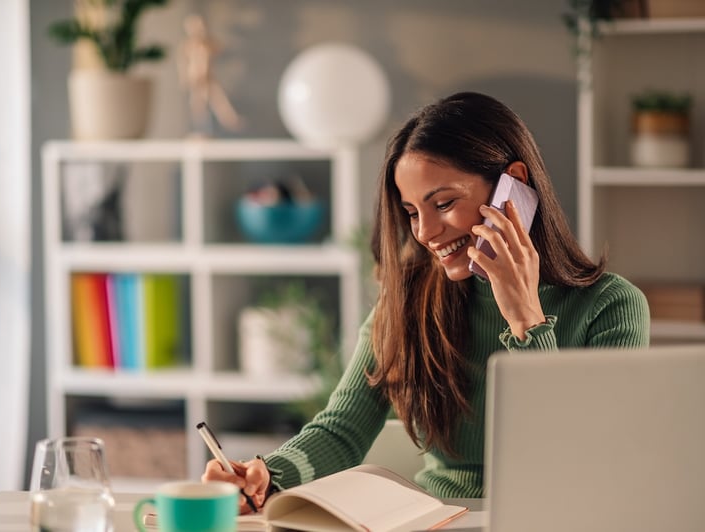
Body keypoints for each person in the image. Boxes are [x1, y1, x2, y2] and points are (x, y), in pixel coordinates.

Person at [202, 91, 650, 511]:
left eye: (444, 203)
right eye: (413, 211)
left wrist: (527, 321)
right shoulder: (410, 299)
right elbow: (342, 429)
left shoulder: (611, 307)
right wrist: (268, 475)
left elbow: (591, 457)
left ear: (511, 185)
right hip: (438, 519)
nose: (425, 232)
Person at [176, 13, 244, 134]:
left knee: (217, 98)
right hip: (196, 77)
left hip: (208, 76)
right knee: (199, 104)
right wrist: (184, 77)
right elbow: (182, 62)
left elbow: (220, 48)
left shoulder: (207, 44)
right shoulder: (188, 45)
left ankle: (230, 120)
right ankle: (201, 128)